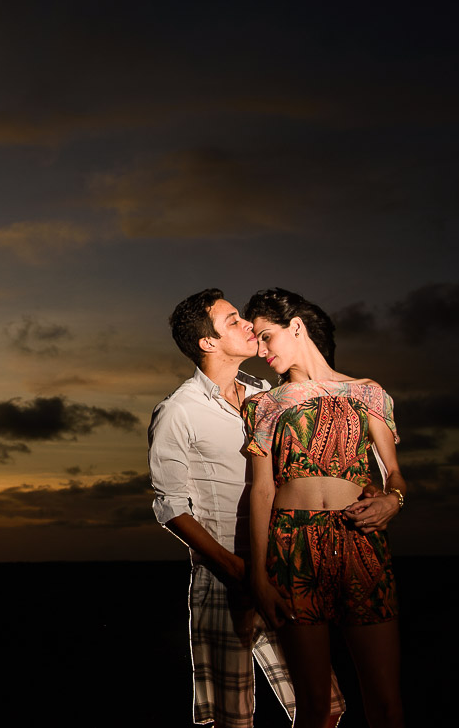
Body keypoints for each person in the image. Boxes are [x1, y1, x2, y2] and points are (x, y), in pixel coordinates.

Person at [149, 288, 345, 728]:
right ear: (208, 342)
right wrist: (235, 569)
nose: (247, 325)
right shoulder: (178, 411)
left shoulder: (265, 392)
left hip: (280, 567)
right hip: (224, 576)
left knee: (325, 706)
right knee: (232, 720)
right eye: (233, 320)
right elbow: (170, 507)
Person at [241, 288, 406, 728]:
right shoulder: (264, 404)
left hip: (360, 542)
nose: (260, 351)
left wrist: (394, 500)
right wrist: (258, 576)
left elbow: (394, 474)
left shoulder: (367, 392)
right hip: (291, 547)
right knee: (315, 706)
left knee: (386, 705)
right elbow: (261, 490)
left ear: (296, 326)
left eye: (265, 336)